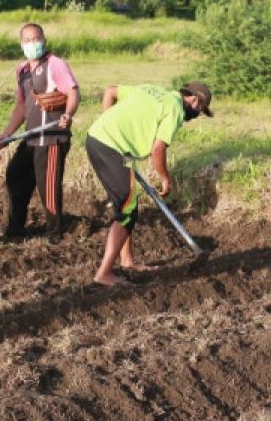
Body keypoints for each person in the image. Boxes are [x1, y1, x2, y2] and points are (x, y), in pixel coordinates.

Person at [85, 80, 212, 286]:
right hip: (112, 147)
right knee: (127, 212)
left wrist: (109, 124)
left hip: (97, 138)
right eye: (201, 110)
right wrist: (165, 178)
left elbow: (110, 92)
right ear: (194, 99)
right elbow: (158, 150)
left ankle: (127, 261)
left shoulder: (151, 89)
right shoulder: (175, 110)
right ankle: (104, 273)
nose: (197, 115)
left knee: (128, 202)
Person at [0, 23, 80, 241]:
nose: (33, 44)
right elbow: (21, 106)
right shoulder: (22, 70)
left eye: (36, 39)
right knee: (15, 175)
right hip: (31, 137)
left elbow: (73, 92)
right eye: (28, 40)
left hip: (51, 137)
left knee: (47, 186)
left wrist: (68, 115)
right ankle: (16, 228)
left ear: (44, 39)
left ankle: (54, 233)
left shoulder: (55, 64)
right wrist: (7, 134)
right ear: (21, 43)